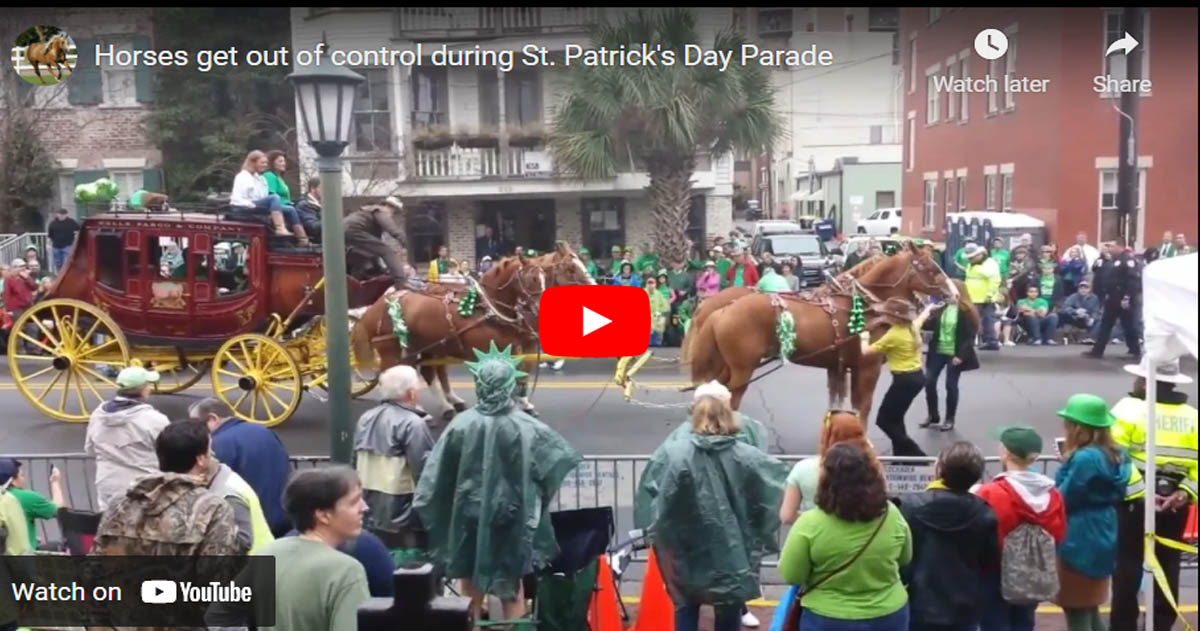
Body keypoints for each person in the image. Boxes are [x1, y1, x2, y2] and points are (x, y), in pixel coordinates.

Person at [414, 343, 582, 622]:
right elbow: (554, 466)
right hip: (513, 518)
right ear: (510, 384)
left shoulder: (460, 425)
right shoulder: (529, 427)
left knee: (469, 590)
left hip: (467, 517)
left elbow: (434, 478)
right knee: (512, 589)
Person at [636, 389, 787, 631]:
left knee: (686, 604)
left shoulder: (676, 454)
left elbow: (661, 503)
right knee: (728, 606)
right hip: (732, 546)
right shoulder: (746, 456)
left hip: (687, 547)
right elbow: (773, 492)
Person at [217, 468, 372, 631]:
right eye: (354, 502)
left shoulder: (268, 553)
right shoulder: (346, 571)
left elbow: (220, 616)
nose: (364, 507)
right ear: (323, 515)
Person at [778, 442, 911, 630]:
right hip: (888, 614)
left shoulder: (809, 523)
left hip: (827, 617)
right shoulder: (891, 513)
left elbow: (792, 574)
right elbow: (905, 557)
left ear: (826, 480)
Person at [1108, 360, 1198, 631]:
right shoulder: (1192, 416)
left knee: (1127, 563)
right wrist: (1185, 492)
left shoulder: (1127, 409)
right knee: (1168, 563)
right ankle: (1161, 624)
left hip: (1134, 501)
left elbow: (1115, 457)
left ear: (1145, 381)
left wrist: (1141, 494)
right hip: (1175, 503)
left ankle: (1123, 625)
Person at [91, 420, 242, 557]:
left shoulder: (119, 503)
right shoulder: (212, 508)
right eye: (209, 451)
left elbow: (95, 563)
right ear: (201, 460)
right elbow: (217, 573)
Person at [900, 441, 999, 631]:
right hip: (965, 607)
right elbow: (989, 562)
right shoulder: (984, 513)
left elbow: (903, 555)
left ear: (940, 469)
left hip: (919, 603)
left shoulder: (911, 506)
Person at [1054, 393, 1133, 631]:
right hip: (1104, 531)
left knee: (1077, 611)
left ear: (1077, 427)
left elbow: (1064, 498)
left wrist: (1067, 465)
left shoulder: (1084, 458)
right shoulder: (1118, 454)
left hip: (1077, 538)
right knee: (1089, 607)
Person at [976, 427, 1067, 631]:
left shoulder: (990, 492)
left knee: (994, 622)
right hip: (1032, 574)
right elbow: (1059, 534)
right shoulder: (1053, 494)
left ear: (1005, 452)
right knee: (1024, 622)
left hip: (995, 574)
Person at [352, 365, 435, 550]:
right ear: (411, 393)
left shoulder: (366, 418)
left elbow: (354, 462)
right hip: (403, 514)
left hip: (370, 511)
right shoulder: (412, 424)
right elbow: (425, 471)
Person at [190, 397, 293, 538]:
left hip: (252, 524)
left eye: (196, 425)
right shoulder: (264, 431)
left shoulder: (218, 444)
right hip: (285, 517)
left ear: (212, 419)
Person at [85, 363, 170, 512]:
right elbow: (170, 456)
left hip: (108, 486)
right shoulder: (155, 420)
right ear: (143, 390)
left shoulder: (98, 415)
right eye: (148, 385)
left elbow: (90, 449)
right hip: (145, 488)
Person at [860, 297, 936, 457]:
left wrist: (864, 335)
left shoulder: (894, 335)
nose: (884, 317)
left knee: (884, 421)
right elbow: (921, 318)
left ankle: (917, 454)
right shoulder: (911, 327)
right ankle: (901, 456)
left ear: (895, 318)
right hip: (915, 377)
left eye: (886, 315)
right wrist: (929, 308)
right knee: (896, 418)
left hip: (904, 381)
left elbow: (865, 351)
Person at [780, 411, 874, 525]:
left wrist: (815, 523)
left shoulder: (802, 468)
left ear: (826, 435)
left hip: (815, 538)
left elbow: (787, 516)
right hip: (859, 537)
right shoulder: (872, 468)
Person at [921, 292, 980, 431]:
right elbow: (928, 327)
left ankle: (950, 419)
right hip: (937, 350)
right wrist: (928, 314)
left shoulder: (965, 312)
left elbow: (970, 336)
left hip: (955, 352)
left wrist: (961, 355)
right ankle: (932, 415)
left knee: (951, 385)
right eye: (946, 294)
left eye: (951, 294)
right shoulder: (941, 308)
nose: (948, 296)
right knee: (929, 381)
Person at [230, 149, 307, 242]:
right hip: (244, 207)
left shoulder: (261, 178)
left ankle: (303, 239)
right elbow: (237, 198)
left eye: (266, 163)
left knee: (290, 210)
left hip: (258, 205)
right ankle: (280, 228)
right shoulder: (242, 177)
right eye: (262, 163)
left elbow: (263, 195)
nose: (265, 165)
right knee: (274, 197)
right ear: (253, 162)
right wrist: (252, 205)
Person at [1084, 239, 1142, 360]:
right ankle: (1097, 350)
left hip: (1123, 299)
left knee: (1129, 325)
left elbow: (1133, 280)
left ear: (1120, 247)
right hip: (1112, 299)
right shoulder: (1114, 261)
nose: (1109, 249)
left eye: (1112, 246)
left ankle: (1135, 350)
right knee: (1105, 324)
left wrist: (1127, 297)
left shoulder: (1128, 260)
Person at [343, 196, 417, 290]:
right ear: (389, 207)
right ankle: (401, 281)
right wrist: (405, 243)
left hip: (344, 233)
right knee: (387, 251)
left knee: (365, 254)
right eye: (394, 212)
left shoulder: (367, 213)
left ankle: (359, 279)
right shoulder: (381, 211)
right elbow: (392, 230)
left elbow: (376, 247)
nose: (392, 215)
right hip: (354, 230)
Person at [0, 459, 68, 551]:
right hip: (22, 556)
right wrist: (55, 482)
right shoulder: (25, 498)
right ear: (12, 481)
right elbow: (59, 510)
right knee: (62, 548)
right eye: (22, 475)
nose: (24, 479)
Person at [964, 243, 1002, 351]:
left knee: (987, 319)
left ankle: (991, 341)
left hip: (984, 297)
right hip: (973, 296)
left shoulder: (989, 264)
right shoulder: (973, 263)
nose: (970, 259)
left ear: (979, 254)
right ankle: (981, 340)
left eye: (972, 257)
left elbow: (994, 280)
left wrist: (990, 294)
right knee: (973, 320)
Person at [46, 207, 79, 274]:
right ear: (57, 214)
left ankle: (66, 275)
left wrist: (76, 237)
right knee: (58, 263)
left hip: (67, 245)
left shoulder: (71, 222)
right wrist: (48, 244)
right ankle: (59, 275)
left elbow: (79, 229)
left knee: (66, 262)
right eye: (60, 214)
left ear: (66, 214)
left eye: (63, 214)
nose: (62, 216)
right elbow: (50, 235)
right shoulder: (53, 223)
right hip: (56, 246)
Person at [646, 276, 670, 347]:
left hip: (657, 314)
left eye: (652, 283)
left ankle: (658, 342)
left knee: (660, 323)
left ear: (655, 284)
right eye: (649, 283)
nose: (650, 285)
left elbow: (665, 306)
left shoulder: (659, 294)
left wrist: (660, 312)